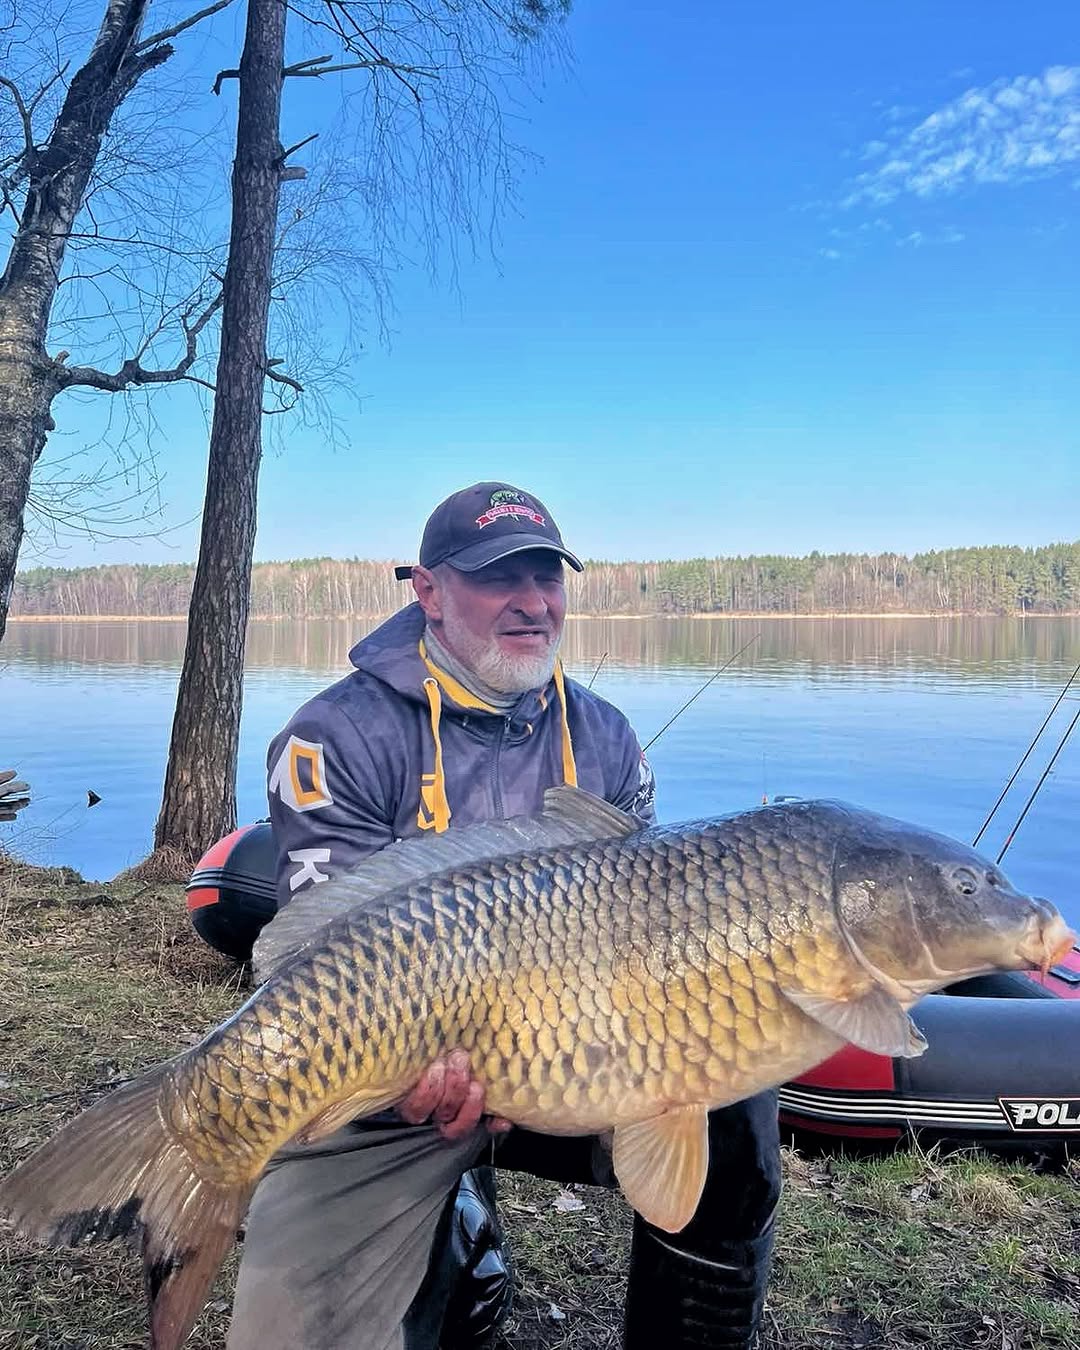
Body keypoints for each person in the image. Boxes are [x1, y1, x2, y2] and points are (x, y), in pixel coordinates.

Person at [229, 482, 780, 1350]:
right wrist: (407, 1065)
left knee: (734, 1105)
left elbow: (649, 927)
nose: (533, 603)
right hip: (392, 1078)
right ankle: (444, 1225)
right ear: (430, 592)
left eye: (547, 576)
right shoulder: (337, 734)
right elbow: (325, 958)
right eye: (498, 579)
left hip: (584, 1058)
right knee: (298, 1330)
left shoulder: (603, 736)